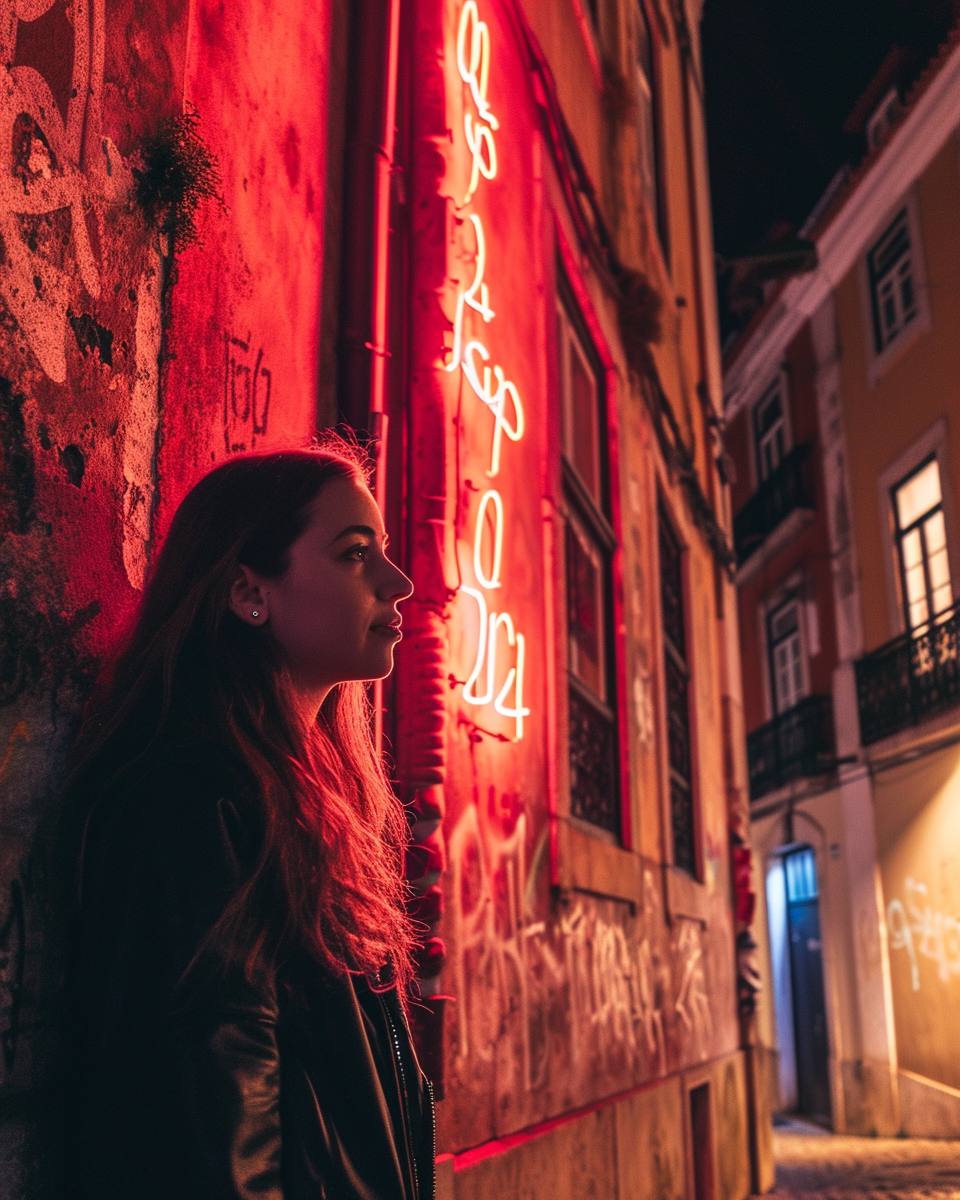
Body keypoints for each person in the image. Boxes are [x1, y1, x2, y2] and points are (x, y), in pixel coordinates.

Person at [38, 443, 433, 1199]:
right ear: (250, 592)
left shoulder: (299, 800)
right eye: (355, 554)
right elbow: (209, 1134)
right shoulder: (189, 802)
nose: (400, 581)